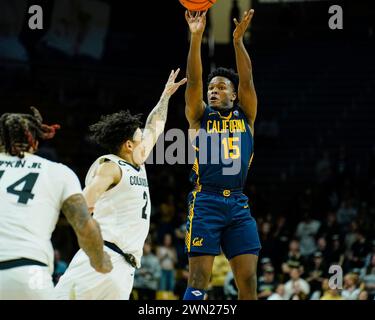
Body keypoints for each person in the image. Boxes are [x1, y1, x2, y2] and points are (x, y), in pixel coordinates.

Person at [54, 69, 186, 300]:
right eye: (139, 138)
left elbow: (156, 126)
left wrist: (165, 96)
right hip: (100, 257)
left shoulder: (138, 163)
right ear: (128, 145)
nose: (145, 141)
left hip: (125, 268)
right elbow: (84, 201)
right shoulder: (110, 165)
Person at [183, 9, 261, 300]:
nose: (213, 91)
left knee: (249, 281)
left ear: (233, 95)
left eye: (221, 88)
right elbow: (193, 81)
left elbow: (248, 80)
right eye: (211, 88)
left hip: (238, 203)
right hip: (206, 200)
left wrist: (238, 42)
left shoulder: (247, 116)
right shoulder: (199, 116)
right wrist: (196, 37)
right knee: (199, 280)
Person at [0, 107, 112, 300]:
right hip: (29, 274)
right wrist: (100, 260)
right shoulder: (58, 172)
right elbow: (85, 226)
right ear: (34, 141)